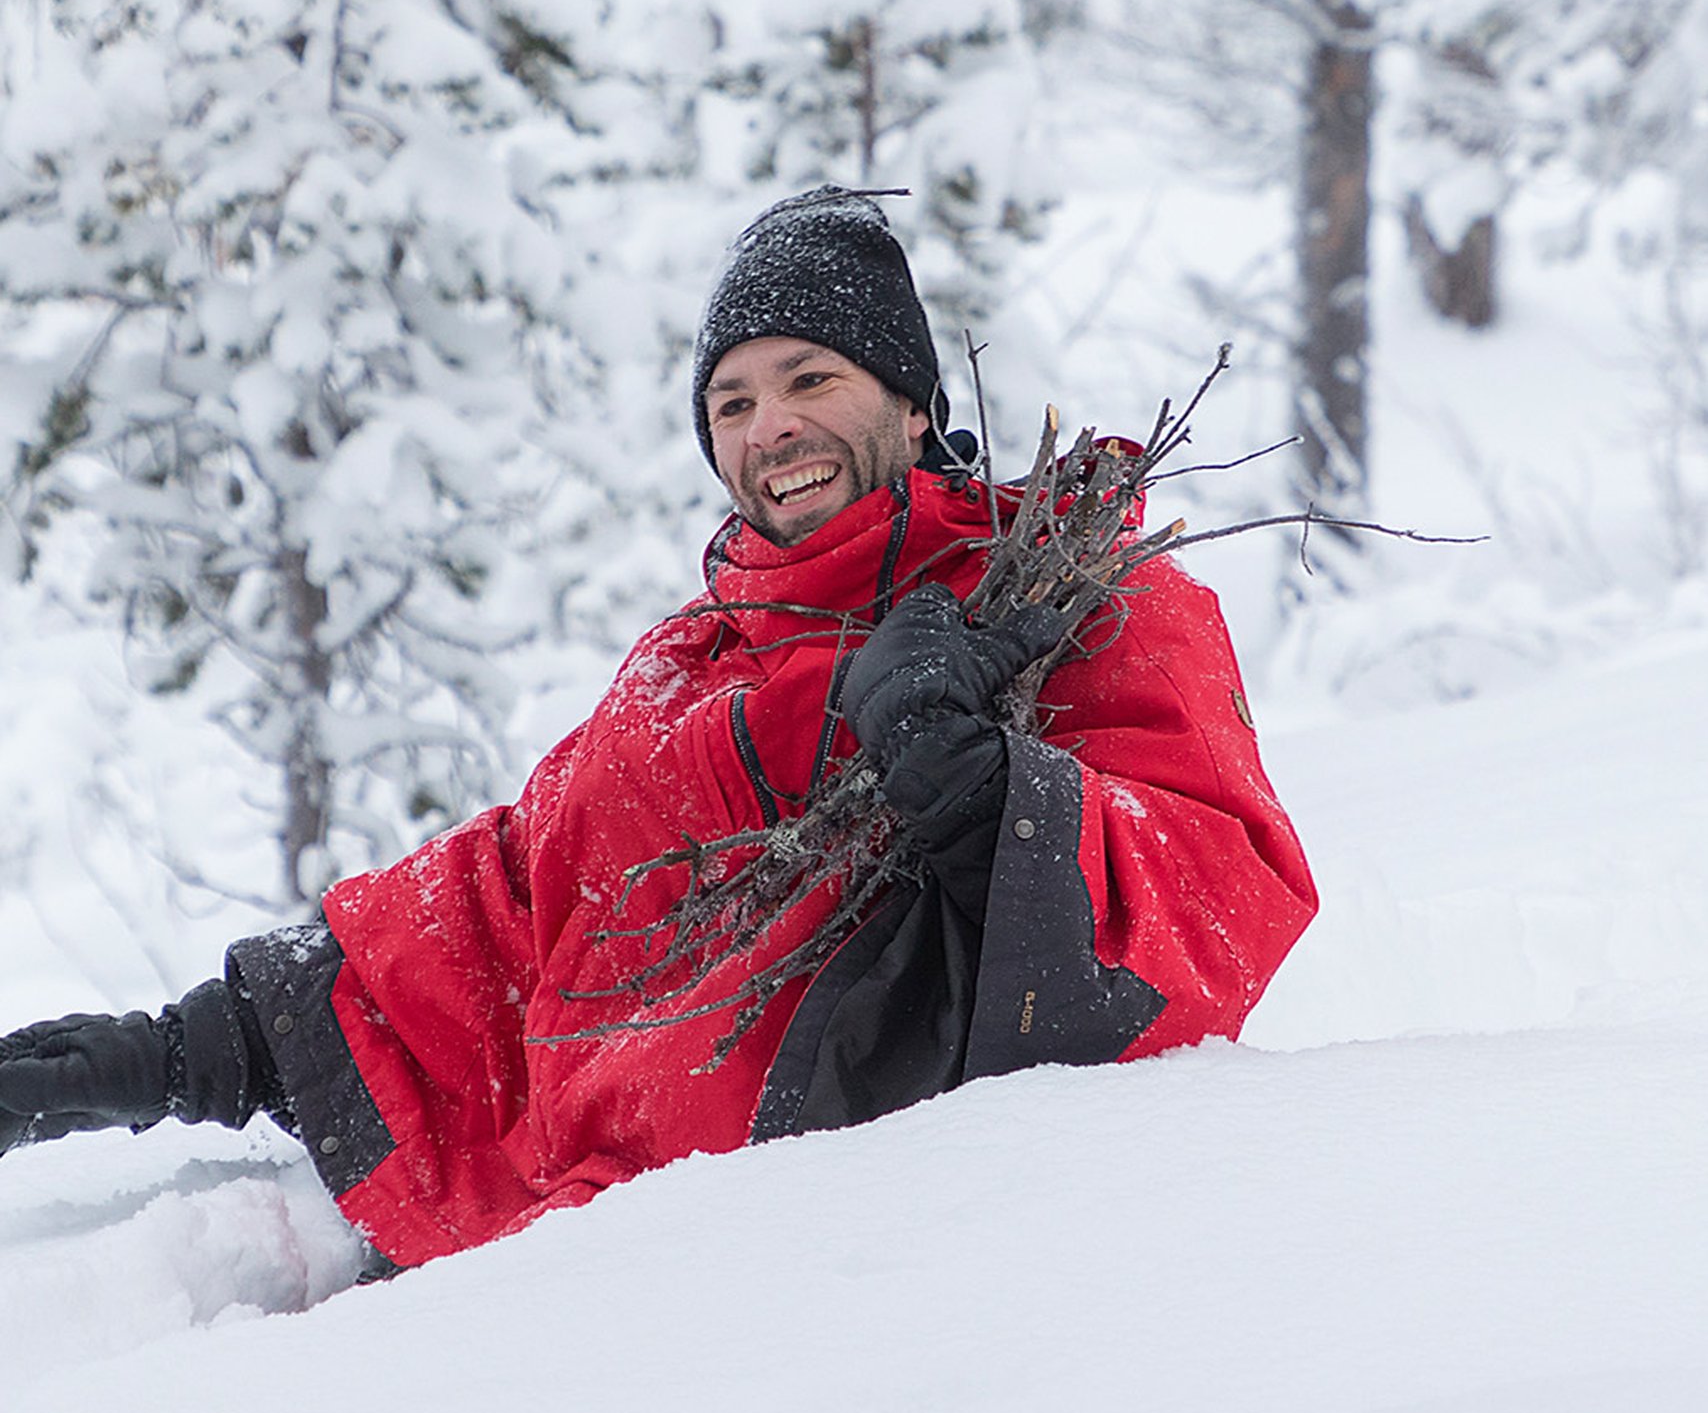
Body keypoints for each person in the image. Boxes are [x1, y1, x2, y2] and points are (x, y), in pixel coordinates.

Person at [0, 186, 1317, 1272]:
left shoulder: (1082, 607)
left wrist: (984, 796)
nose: (770, 427)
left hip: (841, 1284)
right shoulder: (688, 666)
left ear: (915, 404)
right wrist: (201, 1044)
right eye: (732, 403)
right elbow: (510, 898)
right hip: (566, 1270)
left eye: (810, 377)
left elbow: (1223, 904)